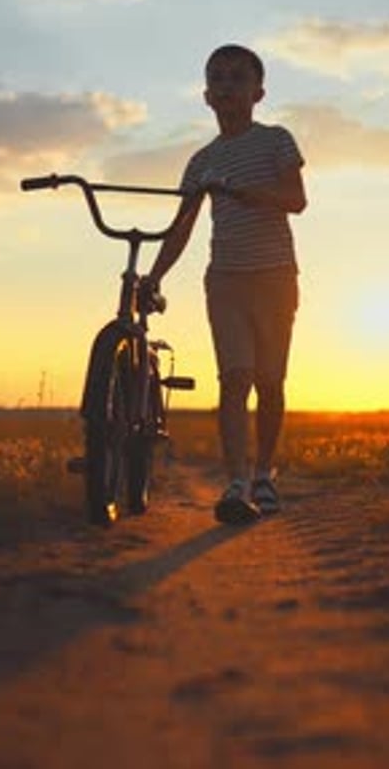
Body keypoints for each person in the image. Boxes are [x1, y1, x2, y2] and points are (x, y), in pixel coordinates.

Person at [147, 44, 307, 524]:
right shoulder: (200, 162)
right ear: (205, 95)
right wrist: (153, 277)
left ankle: (264, 474)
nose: (227, 86)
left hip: (275, 276)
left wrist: (241, 192)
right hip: (225, 280)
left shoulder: (277, 140)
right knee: (234, 378)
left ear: (258, 92)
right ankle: (237, 484)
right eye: (217, 78)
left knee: (270, 382)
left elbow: (295, 199)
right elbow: (181, 228)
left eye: (237, 78)